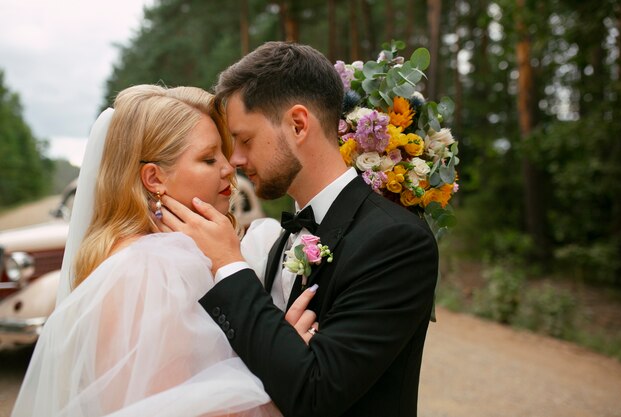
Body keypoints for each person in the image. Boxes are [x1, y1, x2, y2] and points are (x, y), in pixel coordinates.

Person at [159, 42, 439, 417]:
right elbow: (274, 367)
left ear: (298, 124)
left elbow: (316, 393)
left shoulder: (395, 242)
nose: (236, 161)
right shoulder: (282, 240)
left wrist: (228, 263)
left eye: (244, 140)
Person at [11, 84, 311, 417]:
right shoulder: (150, 268)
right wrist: (281, 366)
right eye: (209, 158)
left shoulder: (156, 256)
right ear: (154, 178)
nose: (229, 167)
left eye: (224, 153)